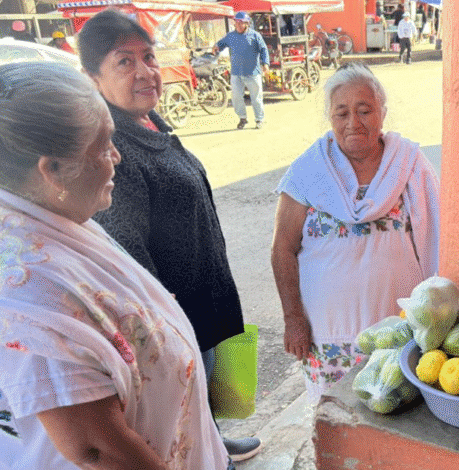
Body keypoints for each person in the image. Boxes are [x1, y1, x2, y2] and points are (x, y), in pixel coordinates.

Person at [0, 61, 233, 469]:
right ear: (51, 170)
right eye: (104, 144)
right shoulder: (28, 290)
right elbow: (97, 450)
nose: (117, 156)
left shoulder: (58, 222)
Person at [77, 9, 261, 462]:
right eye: (124, 62)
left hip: (199, 300)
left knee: (207, 388)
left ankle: (214, 439)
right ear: (92, 77)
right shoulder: (112, 145)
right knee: (183, 408)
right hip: (172, 314)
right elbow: (128, 249)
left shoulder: (150, 121)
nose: (145, 72)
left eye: (149, 57)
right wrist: (165, 323)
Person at [271, 63, 440, 402]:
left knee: (395, 404)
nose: (353, 123)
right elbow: (282, 249)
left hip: (397, 321)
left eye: (365, 110)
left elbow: (438, 236)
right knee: (336, 413)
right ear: (330, 117)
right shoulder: (308, 170)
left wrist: (436, 316)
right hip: (326, 330)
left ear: (383, 112)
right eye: (342, 112)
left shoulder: (408, 163)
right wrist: (293, 319)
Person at [213, 11, 270, 130]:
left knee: (256, 98)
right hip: (236, 73)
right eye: (236, 22)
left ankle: (260, 119)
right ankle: (242, 118)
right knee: (236, 97)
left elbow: (264, 49)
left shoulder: (255, 36)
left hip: (253, 73)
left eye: (241, 23)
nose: (238, 25)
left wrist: (265, 64)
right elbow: (221, 43)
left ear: (247, 24)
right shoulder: (231, 36)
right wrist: (216, 46)